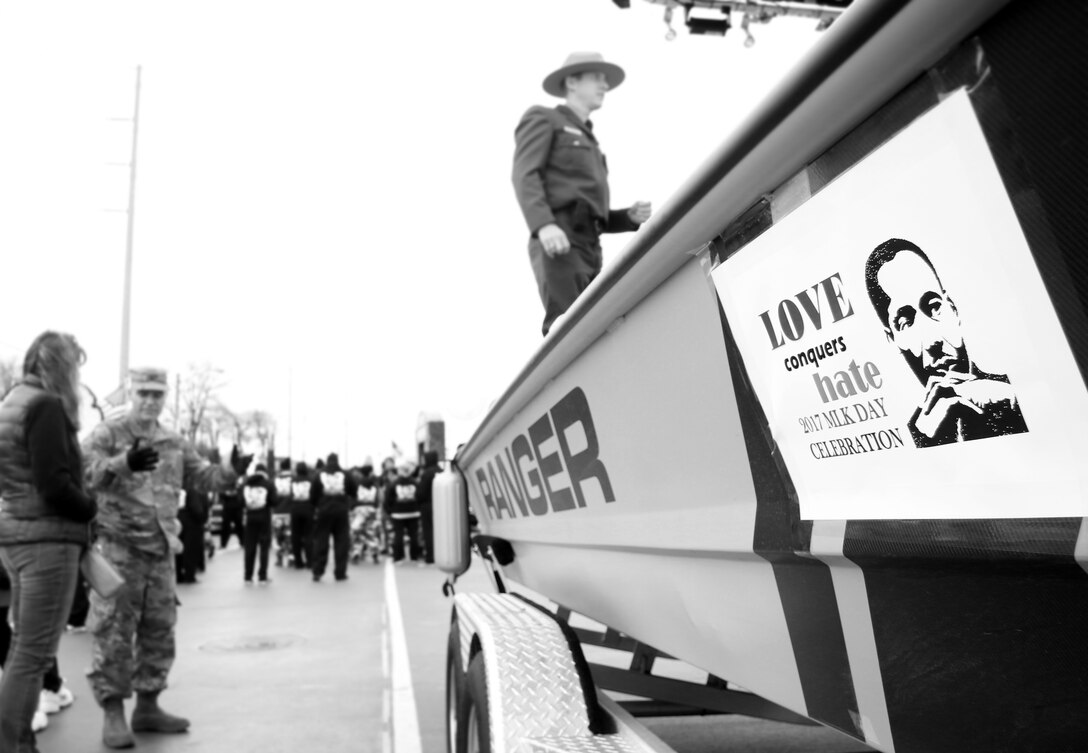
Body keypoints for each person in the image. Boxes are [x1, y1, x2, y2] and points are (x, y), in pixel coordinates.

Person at [82, 366, 245, 748]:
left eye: (158, 395)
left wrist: (230, 472)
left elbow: (202, 476)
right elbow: (82, 473)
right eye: (144, 393)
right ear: (132, 393)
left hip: (160, 551)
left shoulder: (172, 440)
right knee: (114, 633)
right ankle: (113, 713)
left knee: (159, 630)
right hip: (119, 550)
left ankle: (148, 705)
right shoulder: (109, 433)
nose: (151, 401)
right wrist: (123, 462)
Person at [0, 331, 97, 752]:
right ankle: (16, 745)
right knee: (33, 655)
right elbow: (55, 484)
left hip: (19, 536)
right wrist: (90, 508)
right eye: (75, 365)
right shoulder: (46, 406)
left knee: (23, 648)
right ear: (62, 366)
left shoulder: (13, 402)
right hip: (47, 543)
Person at [513, 51, 652, 336]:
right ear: (572, 82)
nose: (604, 86)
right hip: (560, 240)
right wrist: (544, 225)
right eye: (597, 79)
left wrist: (627, 217)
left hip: (590, 246)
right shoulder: (544, 118)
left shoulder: (588, 138)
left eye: (605, 81)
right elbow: (525, 174)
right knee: (568, 327)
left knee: (597, 329)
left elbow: (589, 209)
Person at [864, 238, 1029, 447]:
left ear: (953, 309)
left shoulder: (1012, 399)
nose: (933, 341)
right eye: (906, 322)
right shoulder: (919, 436)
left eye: (934, 307)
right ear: (893, 340)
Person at [310, 453, 356, 582]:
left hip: (324, 511)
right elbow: (354, 490)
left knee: (321, 540)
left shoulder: (319, 475)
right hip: (341, 511)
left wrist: (317, 505)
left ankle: (318, 571)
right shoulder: (345, 474)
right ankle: (340, 572)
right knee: (342, 542)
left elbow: (313, 494)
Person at [242, 464, 276, 584]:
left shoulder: (247, 483)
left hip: (250, 517)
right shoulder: (268, 484)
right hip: (264, 518)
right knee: (264, 547)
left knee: (249, 547)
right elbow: (274, 501)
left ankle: (248, 576)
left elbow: (240, 500)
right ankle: (262, 576)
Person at [385, 459, 422, 564]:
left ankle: (398, 557)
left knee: (398, 535)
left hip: (398, 513)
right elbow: (420, 496)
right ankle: (414, 556)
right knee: (413, 535)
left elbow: (388, 498)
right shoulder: (415, 483)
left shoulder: (394, 483)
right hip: (413, 512)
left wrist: (390, 511)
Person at [415, 450, 441, 565]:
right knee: (439, 531)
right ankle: (441, 554)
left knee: (428, 532)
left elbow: (421, 492)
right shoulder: (441, 471)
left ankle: (430, 556)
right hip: (441, 504)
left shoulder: (427, 473)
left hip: (427, 506)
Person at [289, 461, 314, 570]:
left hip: (295, 509)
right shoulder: (311, 480)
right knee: (309, 535)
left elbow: (290, 495)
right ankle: (310, 561)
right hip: (308, 509)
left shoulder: (293, 481)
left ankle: (298, 561)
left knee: (296, 536)